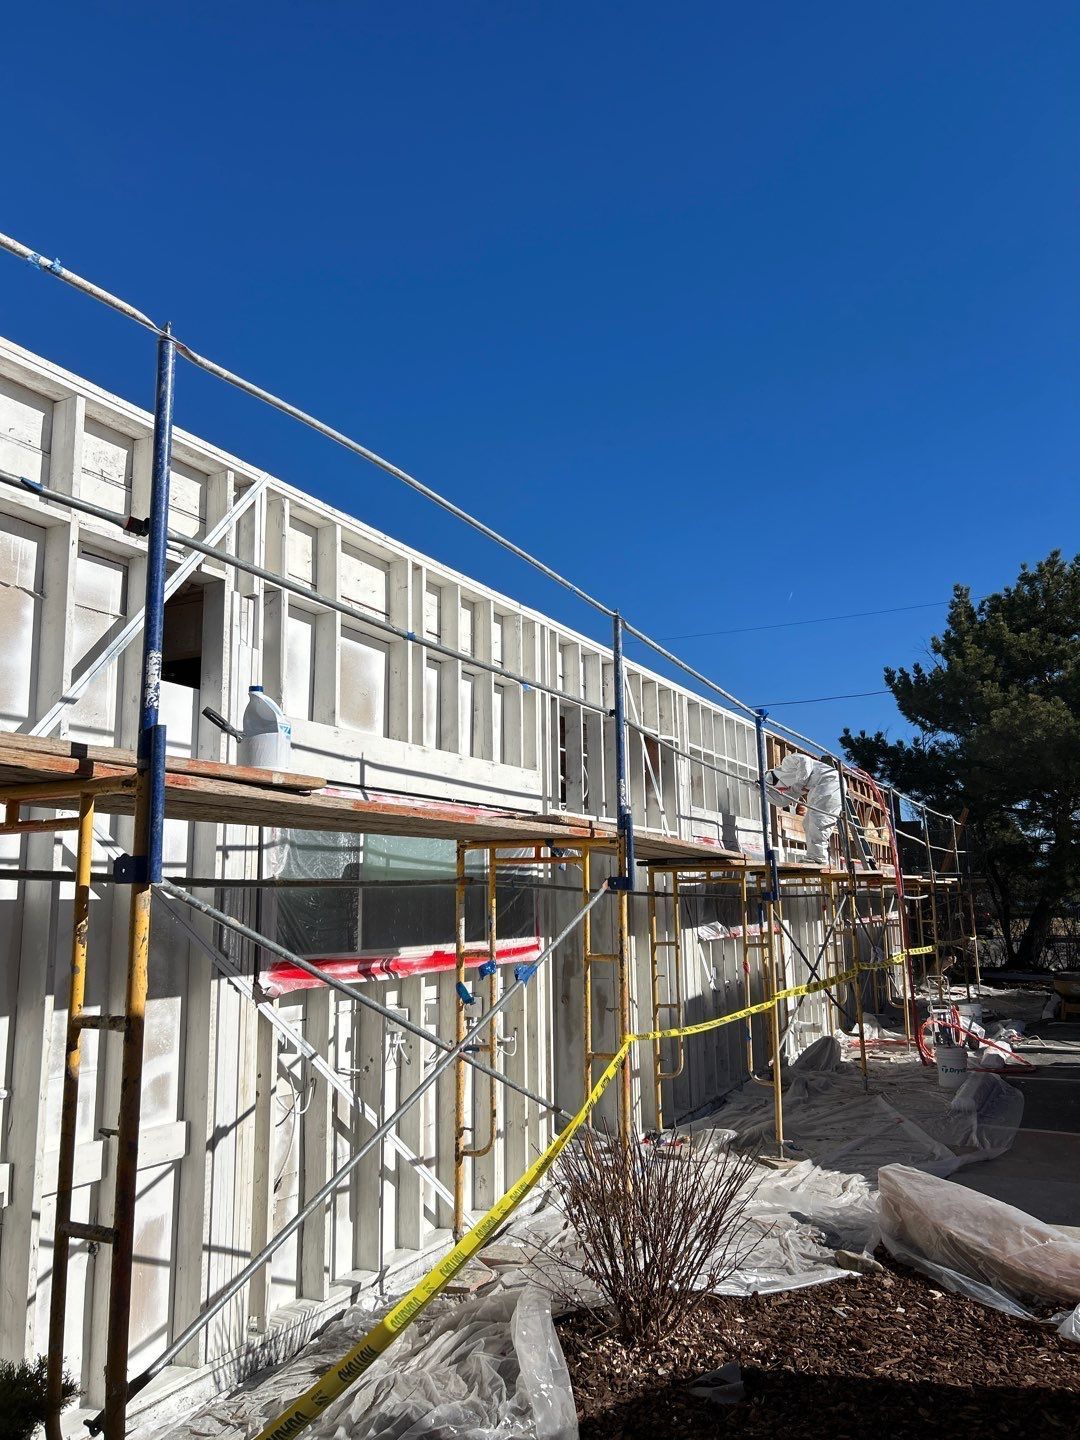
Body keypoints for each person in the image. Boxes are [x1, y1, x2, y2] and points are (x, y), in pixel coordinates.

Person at [763, 753, 842, 865]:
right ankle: (814, 855)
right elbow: (784, 800)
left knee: (818, 821)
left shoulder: (787, 764)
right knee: (807, 822)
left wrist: (798, 785)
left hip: (829, 782)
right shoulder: (792, 782)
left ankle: (818, 857)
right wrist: (763, 793)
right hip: (820, 786)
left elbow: (805, 761)